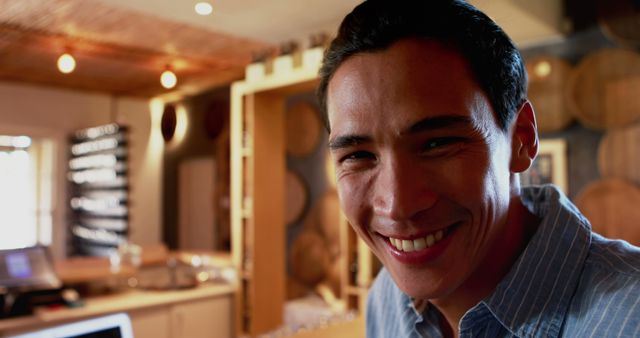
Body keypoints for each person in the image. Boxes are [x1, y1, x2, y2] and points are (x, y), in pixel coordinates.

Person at [316, 1, 640, 337]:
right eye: (358, 156)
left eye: (436, 144)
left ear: (522, 139)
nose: (398, 206)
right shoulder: (386, 299)